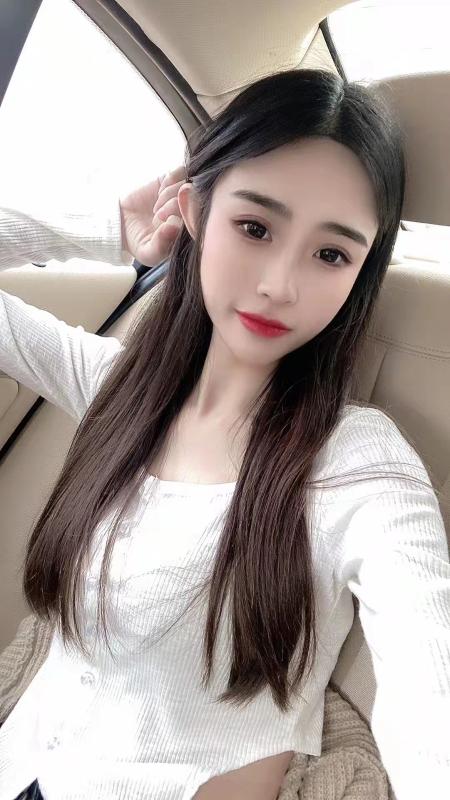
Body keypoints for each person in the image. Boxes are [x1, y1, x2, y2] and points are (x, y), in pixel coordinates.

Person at [0, 67, 448, 800]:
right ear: (195, 210)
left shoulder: (357, 462)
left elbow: (430, 692)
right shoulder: (119, 388)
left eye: (331, 254)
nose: (279, 284)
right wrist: (112, 229)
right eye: (255, 227)